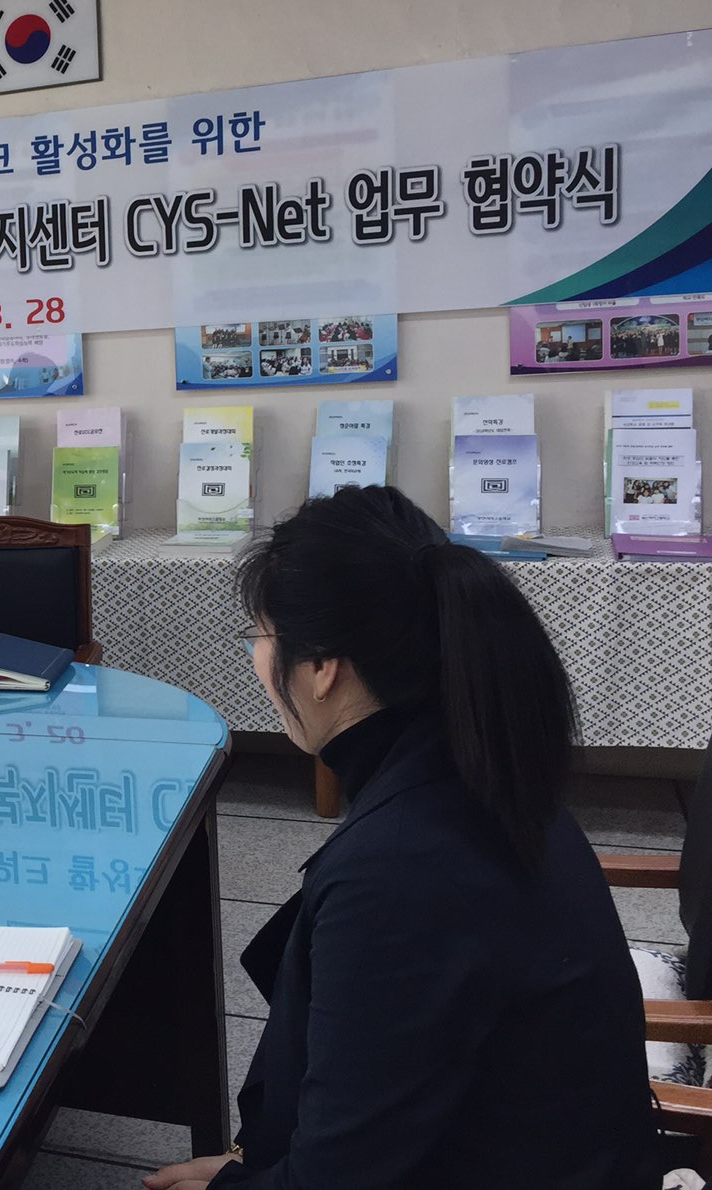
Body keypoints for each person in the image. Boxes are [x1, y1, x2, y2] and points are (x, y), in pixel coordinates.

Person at [147, 485, 653, 1190]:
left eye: (260, 637)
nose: (258, 659)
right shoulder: (480, 771)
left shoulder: (399, 873)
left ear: (322, 666)